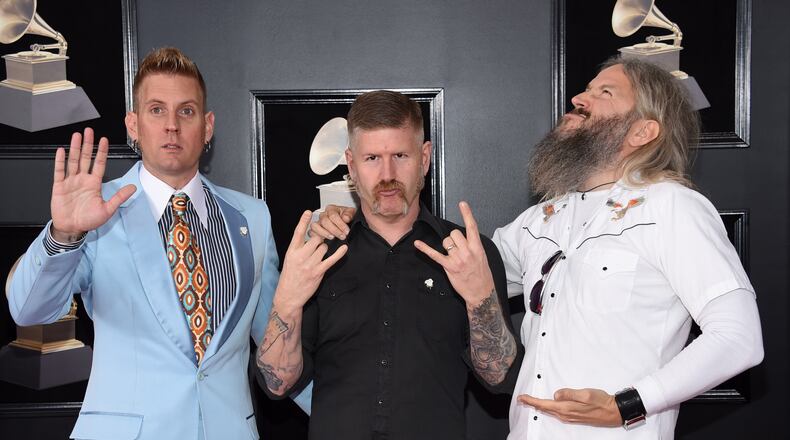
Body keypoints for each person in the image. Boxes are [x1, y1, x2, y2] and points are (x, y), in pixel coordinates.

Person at [312, 58, 764, 439]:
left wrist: (629, 404)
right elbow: (426, 260)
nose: (579, 99)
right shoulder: (541, 220)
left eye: (604, 93)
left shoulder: (673, 207)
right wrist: (352, 219)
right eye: (586, 88)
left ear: (643, 131)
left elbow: (739, 339)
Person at [7, 47, 307, 439]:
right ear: (133, 125)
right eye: (156, 110)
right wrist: (65, 235)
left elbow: (274, 335)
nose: (172, 126)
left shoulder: (252, 217)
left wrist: (355, 414)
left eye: (186, 111)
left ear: (208, 125)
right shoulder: (96, 212)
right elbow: (29, 310)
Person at [256, 90, 523, 440]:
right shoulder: (318, 255)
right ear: (351, 165)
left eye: (400, 155)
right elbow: (276, 384)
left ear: (425, 157)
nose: (387, 174)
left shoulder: (470, 253)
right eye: (371, 158)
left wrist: (479, 299)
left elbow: (500, 378)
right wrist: (286, 302)